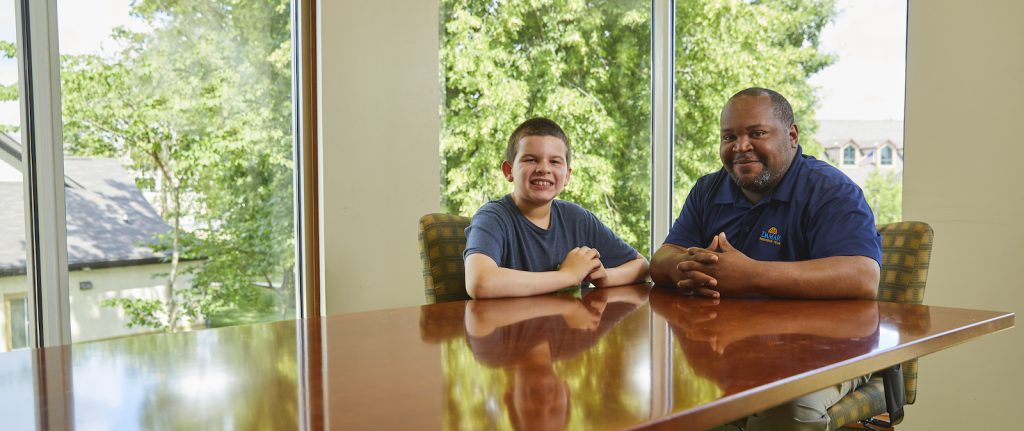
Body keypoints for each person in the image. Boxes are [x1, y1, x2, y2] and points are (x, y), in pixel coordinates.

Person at [649, 87, 882, 431]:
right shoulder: (708, 190)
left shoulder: (830, 190)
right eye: (729, 136)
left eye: (756, 133)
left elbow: (863, 277)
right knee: (662, 391)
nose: (741, 146)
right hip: (733, 348)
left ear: (791, 135)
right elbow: (662, 258)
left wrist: (752, 274)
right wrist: (687, 267)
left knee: (785, 405)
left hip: (828, 351)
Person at [464, 117, 648, 299]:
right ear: (508, 171)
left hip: (566, 327)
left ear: (567, 176)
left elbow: (641, 265)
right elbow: (479, 282)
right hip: (512, 327)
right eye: (530, 160)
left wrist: (607, 277)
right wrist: (568, 276)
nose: (544, 168)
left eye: (555, 162)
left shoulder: (577, 219)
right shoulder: (492, 217)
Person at [465, 285, 649, 431]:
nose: (545, 405)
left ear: (509, 396)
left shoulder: (491, 351)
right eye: (555, 410)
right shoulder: (581, 338)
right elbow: (632, 304)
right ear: (566, 390)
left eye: (533, 413)